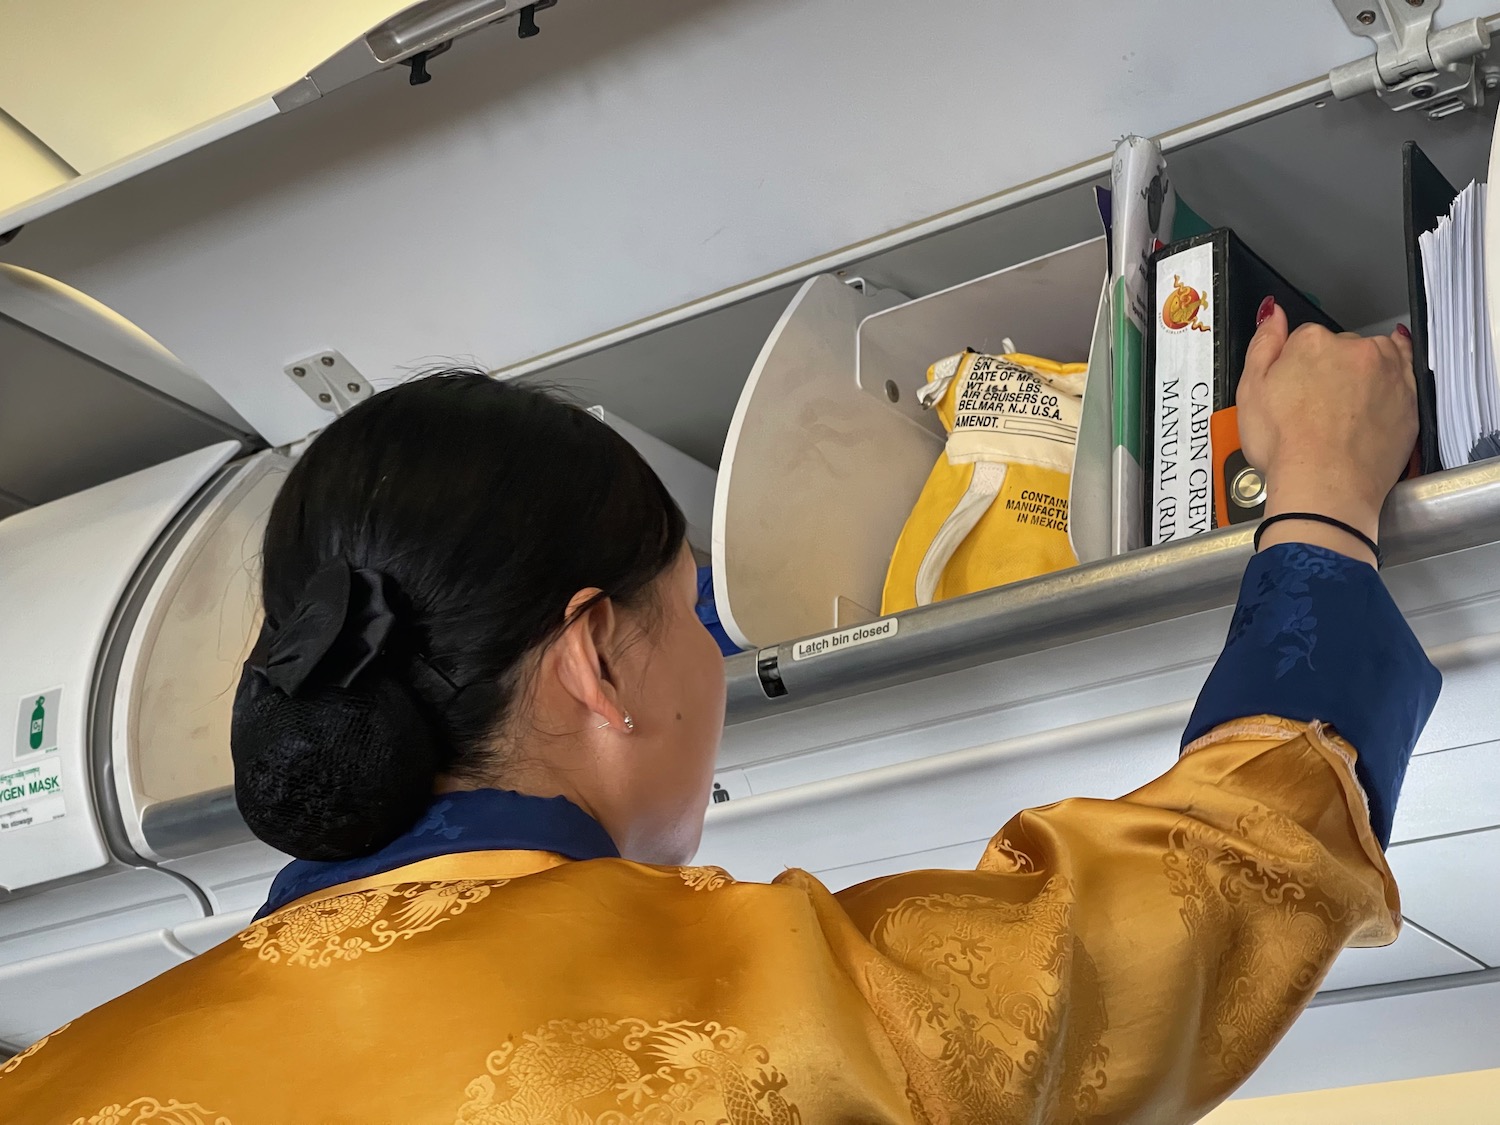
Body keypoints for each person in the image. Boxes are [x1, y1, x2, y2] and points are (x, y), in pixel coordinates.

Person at [0, 303, 1438, 1124]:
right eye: (690, 609)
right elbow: (1193, 899)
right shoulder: (749, 1010)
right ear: (593, 659)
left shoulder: (59, 1079)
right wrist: (1319, 498)